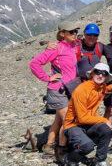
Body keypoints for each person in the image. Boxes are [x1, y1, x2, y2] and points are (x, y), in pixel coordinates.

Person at [29, 21, 80, 158]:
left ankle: (49, 145)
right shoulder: (56, 48)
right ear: (62, 34)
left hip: (68, 89)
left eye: (76, 31)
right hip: (58, 90)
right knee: (68, 120)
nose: (75, 34)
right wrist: (47, 77)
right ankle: (62, 149)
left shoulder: (73, 45)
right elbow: (34, 63)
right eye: (71, 32)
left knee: (58, 120)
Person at [63, 63, 112, 166]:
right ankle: (70, 159)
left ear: (106, 77)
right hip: (73, 125)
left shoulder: (100, 87)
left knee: (106, 130)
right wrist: (105, 120)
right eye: (98, 72)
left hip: (88, 123)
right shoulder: (81, 90)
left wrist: (111, 87)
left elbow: (103, 90)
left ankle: (100, 160)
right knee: (88, 146)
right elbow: (82, 118)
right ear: (92, 74)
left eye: (104, 74)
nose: (100, 75)